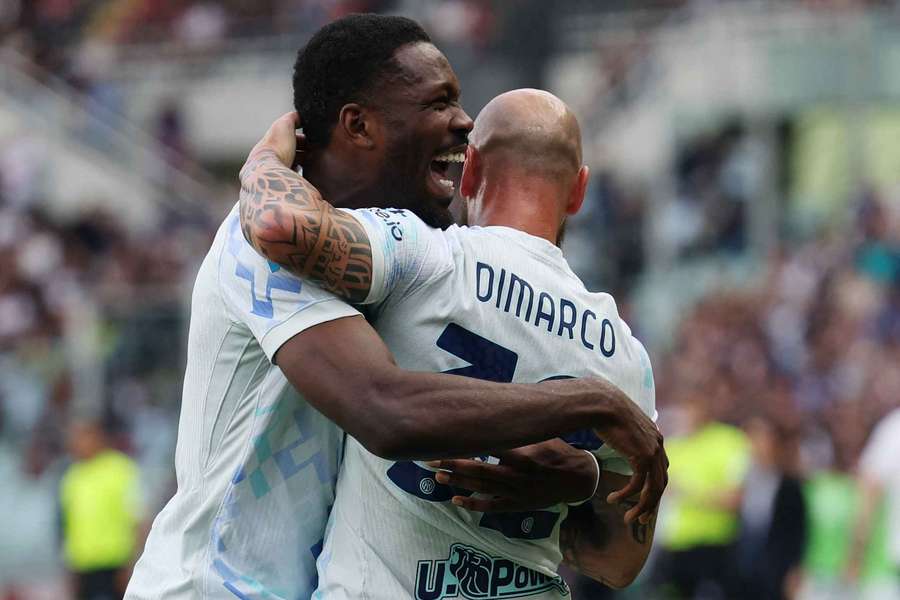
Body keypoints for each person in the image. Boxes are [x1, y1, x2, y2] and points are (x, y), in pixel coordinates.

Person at [126, 15, 666, 600]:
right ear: (359, 125)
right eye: (440, 103)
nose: (463, 123)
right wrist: (260, 162)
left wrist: (583, 477)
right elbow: (384, 408)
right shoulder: (260, 245)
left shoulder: (412, 264)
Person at [238, 89, 659, 598]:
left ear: (472, 169)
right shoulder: (626, 355)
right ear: (579, 191)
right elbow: (618, 560)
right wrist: (584, 484)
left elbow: (280, 226)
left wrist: (264, 155)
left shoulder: (427, 256)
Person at [60, 419, 142, 600]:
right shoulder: (72, 477)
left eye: (83, 436)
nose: (78, 443)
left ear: (98, 436)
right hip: (82, 568)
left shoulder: (121, 470)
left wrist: (132, 565)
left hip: (114, 566)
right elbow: (69, 527)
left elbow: (137, 519)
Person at [847, 408, 900, 594]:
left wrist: (855, 555)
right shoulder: (894, 429)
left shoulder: (894, 428)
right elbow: (870, 493)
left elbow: (868, 494)